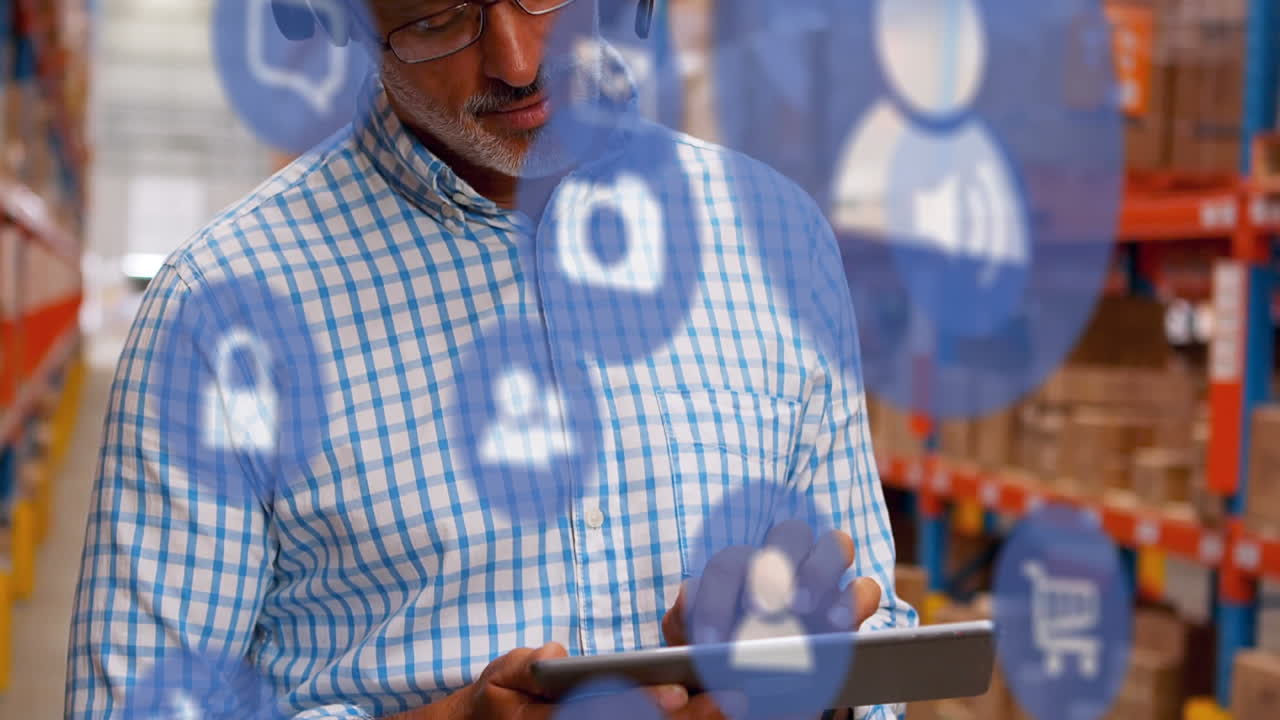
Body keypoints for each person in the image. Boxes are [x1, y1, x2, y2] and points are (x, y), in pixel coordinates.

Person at [66, 1, 915, 718]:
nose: (517, 61)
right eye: (439, 19)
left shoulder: (776, 238)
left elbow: (880, 640)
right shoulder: (220, 312)